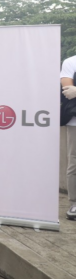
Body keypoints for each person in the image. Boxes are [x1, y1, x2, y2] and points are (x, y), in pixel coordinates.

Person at [60, 55, 76, 220]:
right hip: (74, 122)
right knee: (74, 162)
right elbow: (68, 91)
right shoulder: (71, 62)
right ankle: (74, 204)